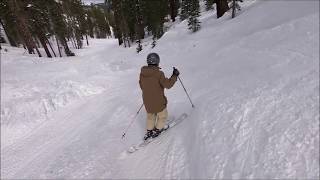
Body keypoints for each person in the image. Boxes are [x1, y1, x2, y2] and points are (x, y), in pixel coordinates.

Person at [139, 53, 180, 141]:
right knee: (162, 116)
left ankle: (149, 131)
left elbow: (142, 86)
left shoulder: (142, 73)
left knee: (151, 116)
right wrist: (174, 76)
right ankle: (157, 130)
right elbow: (168, 85)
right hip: (159, 101)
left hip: (147, 101)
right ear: (157, 61)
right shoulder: (159, 73)